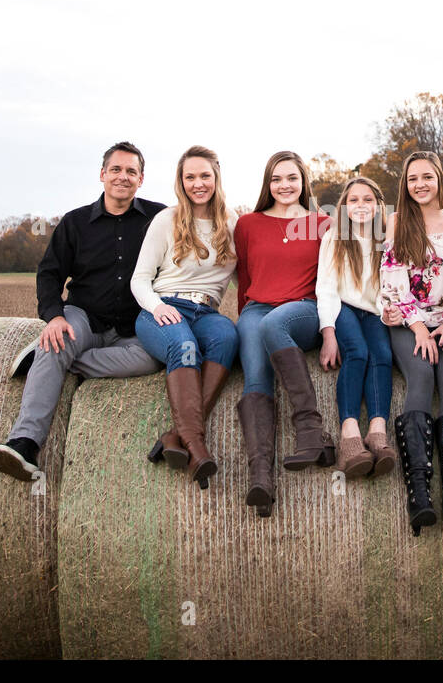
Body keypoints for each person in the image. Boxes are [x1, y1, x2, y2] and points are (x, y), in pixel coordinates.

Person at [0, 141, 165, 480]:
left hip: (133, 326)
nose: (123, 177)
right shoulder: (75, 223)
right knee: (58, 340)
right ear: (102, 174)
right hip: (83, 316)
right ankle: (24, 442)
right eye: (116, 169)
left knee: (152, 359)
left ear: (141, 179)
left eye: (131, 171)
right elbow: (50, 273)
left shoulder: (158, 218)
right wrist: (54, 316)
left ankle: (47, 361)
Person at [379, 151, 443, 536]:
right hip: (407, 320)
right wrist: (417, 326)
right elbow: (392, 278)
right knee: (420, 376)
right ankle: (418, 492)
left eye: (427, 177)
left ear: (439, 180)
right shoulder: (397, 222)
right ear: (405, 184)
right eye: (413, 178)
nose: (420, 184)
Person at [132, 146, 239, 489]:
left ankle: (175, 436)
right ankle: (197, 447)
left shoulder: (232, 222)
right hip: (163, 307)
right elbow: (139, 279)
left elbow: (246, 275)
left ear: (216, 177)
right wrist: (157, 307)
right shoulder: (167, 219)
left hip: (207, 310)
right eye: (190, 177)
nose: (198, 183)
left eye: (204, 175)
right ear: (181, 181)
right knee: (186, 346)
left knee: (228, 338)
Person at [233, 151, 333, 518]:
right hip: (257, 308)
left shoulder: (322, 223)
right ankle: (261, 478)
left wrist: (330, 328)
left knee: (273, 324)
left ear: (303, 181)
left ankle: (310, 429)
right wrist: (244, 318)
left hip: (303, 310)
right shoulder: (247, 224)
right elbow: (244, 278)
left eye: (291, 178)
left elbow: (331, 281)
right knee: (255, 376)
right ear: (267, 184)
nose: (284, 185)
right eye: (276, 179)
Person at [316, 176, 397, 479]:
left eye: (367, 199)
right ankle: (349, 435)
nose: (360, 205)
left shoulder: (387, 238)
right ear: (344, 206)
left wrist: (388, 310)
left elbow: (391, 283)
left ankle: (377, 431)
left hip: (374, 312)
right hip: (342, 308)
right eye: (354, 200)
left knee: (382, 355)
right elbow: (325, 288)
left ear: (379, 206)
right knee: (358, 352)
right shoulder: (335, 237)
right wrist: (328, 332)